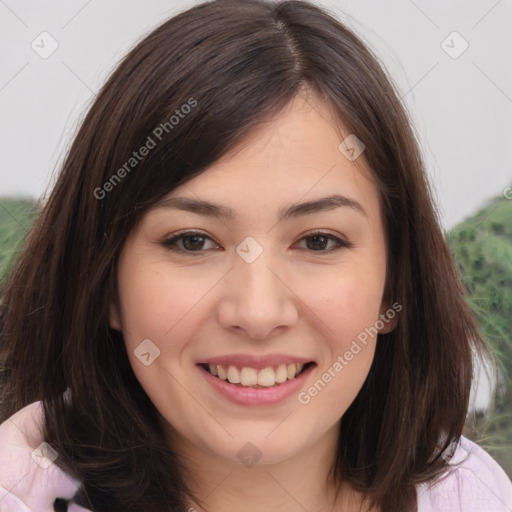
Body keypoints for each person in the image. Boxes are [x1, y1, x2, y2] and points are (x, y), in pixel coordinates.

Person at [1, 0, 511, 511]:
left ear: (395, 283)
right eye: (192, 241)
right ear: (105, 283)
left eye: (318, 241)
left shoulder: (476, 497)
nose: (258, 313)